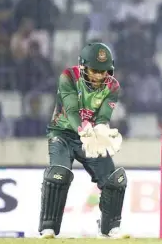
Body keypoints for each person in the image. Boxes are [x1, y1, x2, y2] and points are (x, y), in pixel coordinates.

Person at [39, 43, 129, 239]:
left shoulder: (112, 85)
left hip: (90, 137)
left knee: (115, 179)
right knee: (58, 175)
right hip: (62, 133)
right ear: (83, 67)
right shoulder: (68, 77)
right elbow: (71, 111)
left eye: (103, 71)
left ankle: (109, 228)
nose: (99, 76)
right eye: (95, 70)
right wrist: (84, 130)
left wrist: (102, 129)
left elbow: (104, 116)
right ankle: (48, 228)